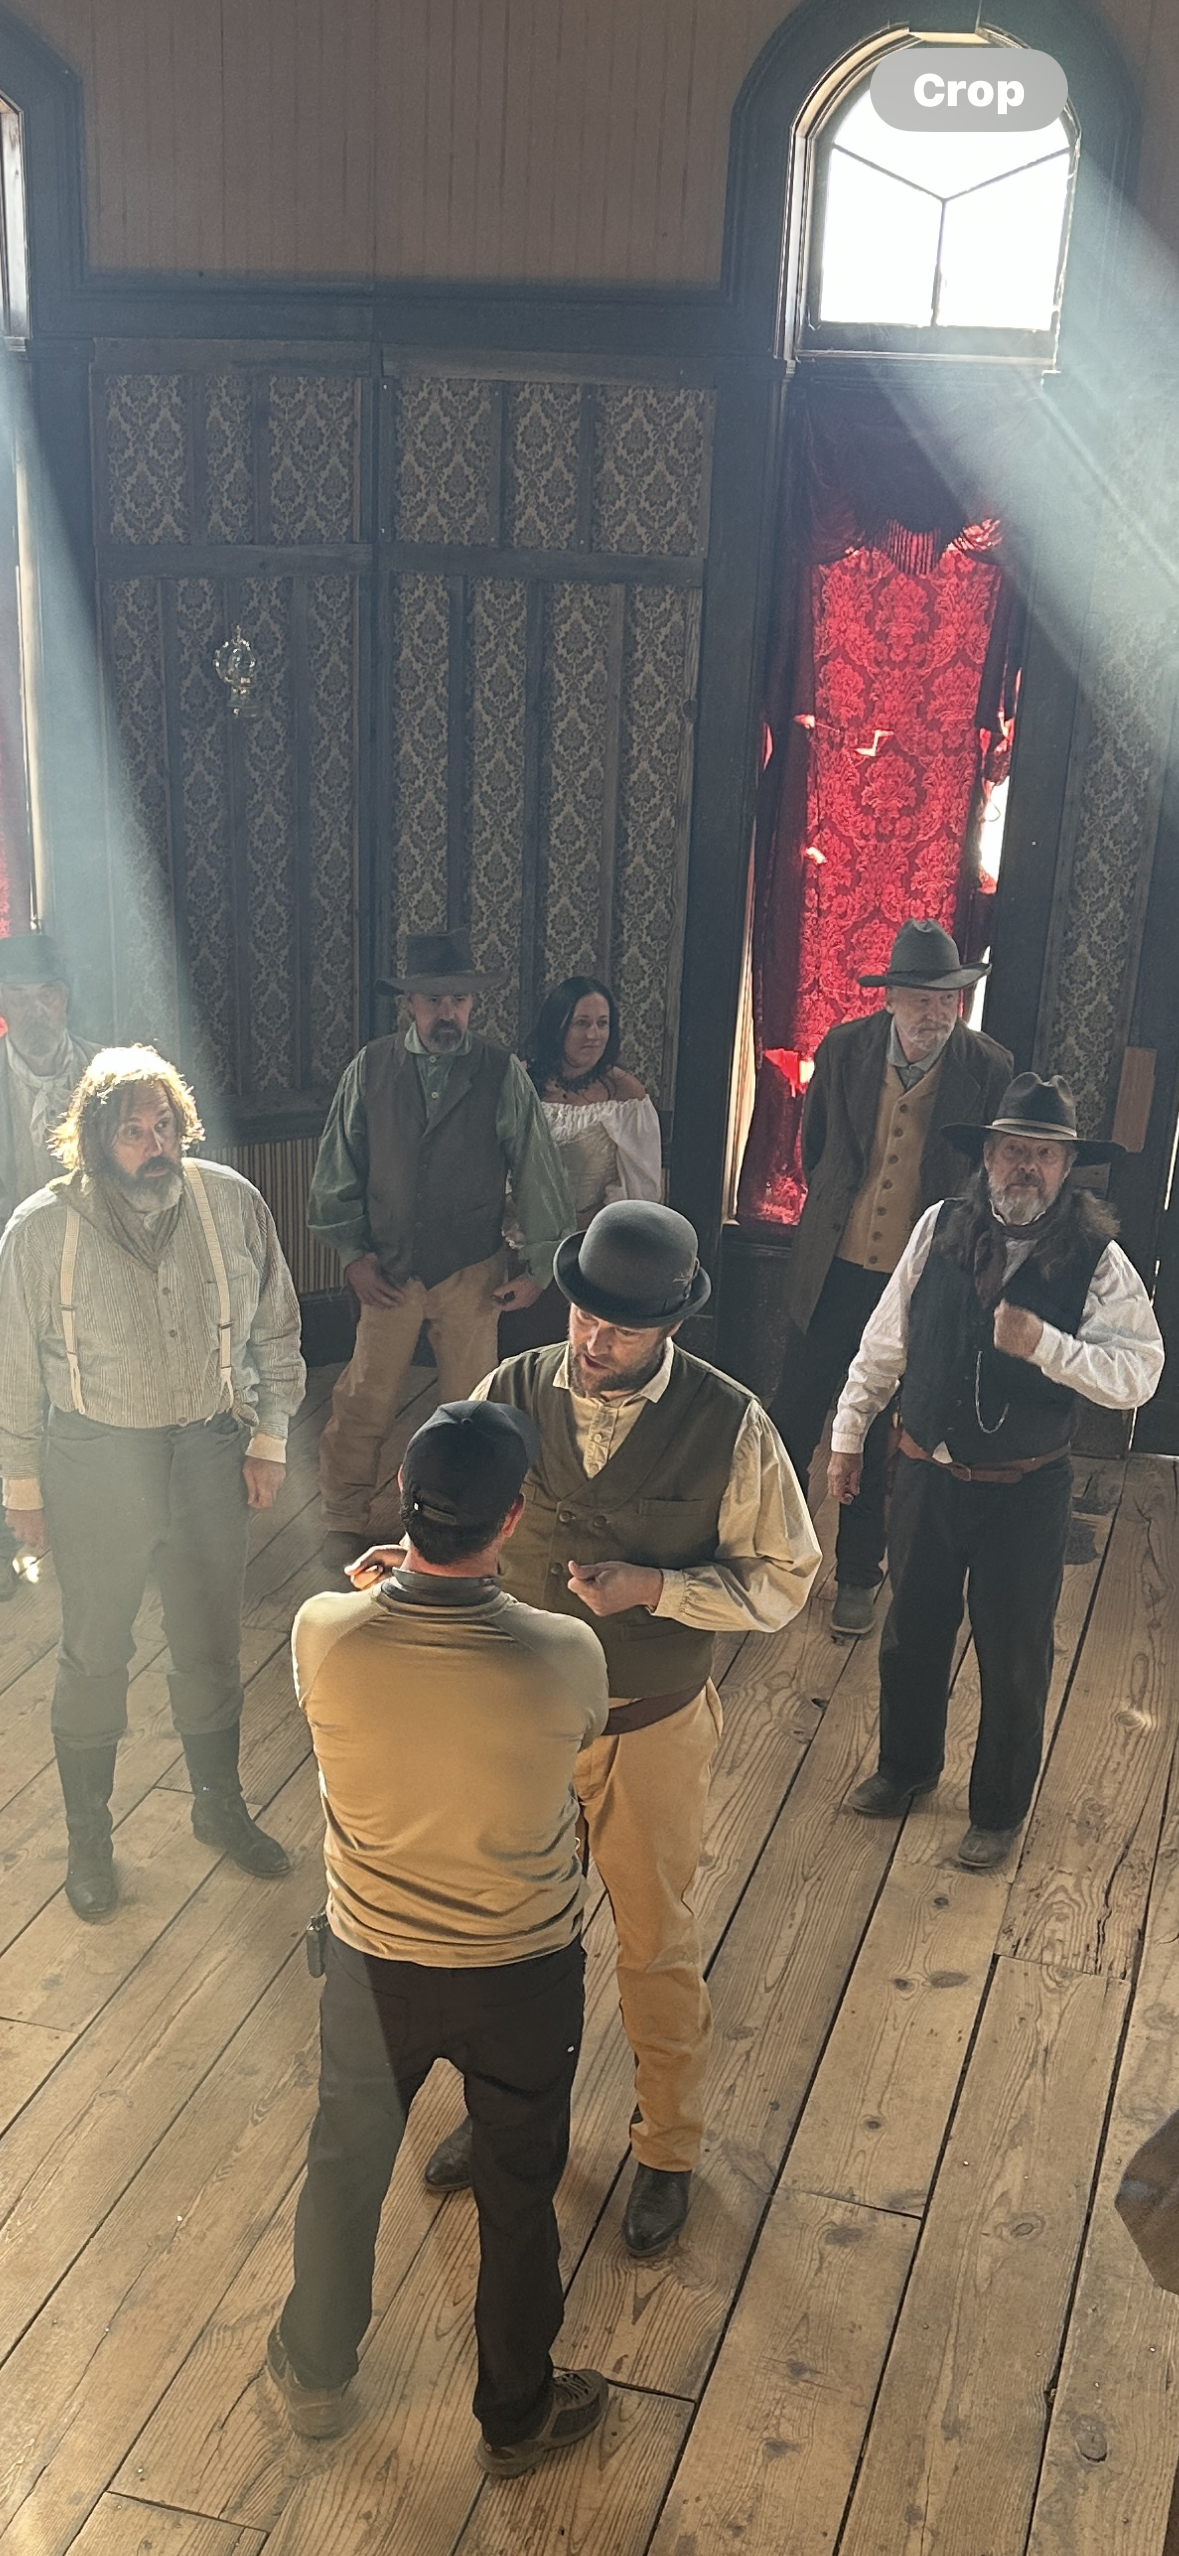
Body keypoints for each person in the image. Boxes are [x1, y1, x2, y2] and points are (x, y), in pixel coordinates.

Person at [389, 1203, 822, 2259]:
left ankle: (666, 2149)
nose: (593, 1342)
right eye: (585, 1314)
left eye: (623, 1330)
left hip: (651, 1724)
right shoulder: (510, 1391)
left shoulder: (732, 1423)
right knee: (507, 1946)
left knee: (655, 1945)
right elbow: (448, 1525)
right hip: (520, 1723)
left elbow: (785, 1581)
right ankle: (507, 2121)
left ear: (672, 1323)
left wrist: (661, 1589)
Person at [268, 1400, 611, 2479]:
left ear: (405, 1508)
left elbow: (351, 1639)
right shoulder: (563, 1653)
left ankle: (316, 2374)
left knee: (346, 2162)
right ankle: (515, 2417)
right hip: (523, 1971)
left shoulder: (324, 1630)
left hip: (373, 1965)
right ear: (511, 1518)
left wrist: (373, 1583)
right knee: (519, 2192)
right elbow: (584, 1740)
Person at [0, 1046, 306, 1920]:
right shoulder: (40, 1230)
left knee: (209, 1640)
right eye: (132, 1130)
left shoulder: (229, 1204)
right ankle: (91, 1838)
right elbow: (14, 1371)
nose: (153, 1143)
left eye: (164, 1124)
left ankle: (218, 1807)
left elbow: (277, 1328)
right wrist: (21, 1488)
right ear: (94, 1141)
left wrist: (270, 1439)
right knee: (95, 1651)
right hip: (94, 1462)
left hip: (211, 1451)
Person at [829, 1073, 1163, 1868]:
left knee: (1014, 1650)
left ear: (1066, 1166)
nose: (1026, 1168)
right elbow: (886, 1342)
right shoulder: (937, 1228)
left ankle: (998, 1809)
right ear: (984, 1155)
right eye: (1013, 1150)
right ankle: (905, 1769)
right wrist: (848, 1433)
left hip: (1025, 1489)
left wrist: (1048, 1346)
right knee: (909, 1633)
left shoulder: (1098, 1259)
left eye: (1043, 1155)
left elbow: (1139, 1375)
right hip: (923, 1470)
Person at [768, 917, 1013, 1636]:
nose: (935, 1012)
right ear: (892, 998)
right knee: (796, 1413)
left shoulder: (987, 1068)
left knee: (877, 1429)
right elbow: (817, 1154)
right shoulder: (844, 1049)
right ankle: (769, 1556)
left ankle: (856, 1573)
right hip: (833, 1270)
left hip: (919, 1281)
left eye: (948, 999)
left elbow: (988, 1182)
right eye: (921, 998)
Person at [308, 930, 573, 1566]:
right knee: (363, 1398)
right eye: (434, 1000)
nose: (447, 1012)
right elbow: (337, 1169)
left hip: (471, 1272)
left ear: (473, 1005)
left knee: (472, 1407)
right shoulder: (370, 1069)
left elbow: (537, 1169)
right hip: (390, 1271)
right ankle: (344, 1513)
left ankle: (470, 1519)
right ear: (410, 1005)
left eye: (458, 1000)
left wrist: (539, 1266)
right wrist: (353, 1255)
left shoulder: (499, 1072)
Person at [0, 930, 97, 1599]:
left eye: (49, 995)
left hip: (89, 1279)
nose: (36, 1010)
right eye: (20, 995)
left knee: (89, 1407)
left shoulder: (109, 1078)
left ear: (65, 1000)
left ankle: (94, 1534)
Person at [501, 975, 663, 1354]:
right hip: (514, 1245)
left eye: (602, 1023)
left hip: (587, 1253)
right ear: (557, 1025)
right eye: (582, 1022)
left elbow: (640, 1189)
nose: (594, 1034)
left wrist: (588, 1226)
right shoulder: (520, 1082)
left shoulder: (624, 1095)